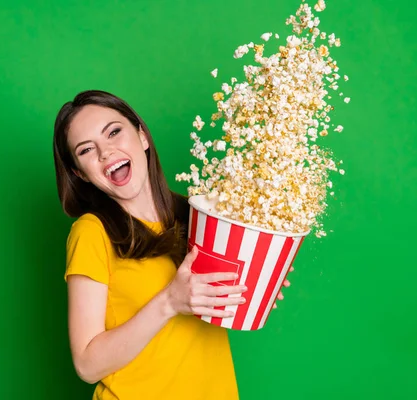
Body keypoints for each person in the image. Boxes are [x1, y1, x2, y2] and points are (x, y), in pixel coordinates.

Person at [53, 90, 289, 399]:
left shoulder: (199, 218)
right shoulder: (91, 232)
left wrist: (256, 285)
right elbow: (87, 364)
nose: (106, 152)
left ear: (142, 136)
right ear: (79, 173)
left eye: (114, 132)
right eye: (86, 150)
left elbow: (215, 303)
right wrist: (169, 302)